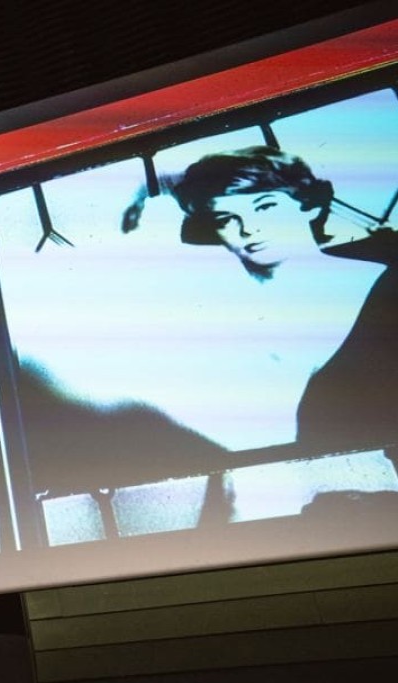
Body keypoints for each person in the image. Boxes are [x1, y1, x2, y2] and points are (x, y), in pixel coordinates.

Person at [171, 145, 398, 454]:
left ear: (308, 205)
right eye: (226, 219)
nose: (249, 229)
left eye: (265, 207)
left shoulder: (387, 289)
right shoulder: (221, 321)